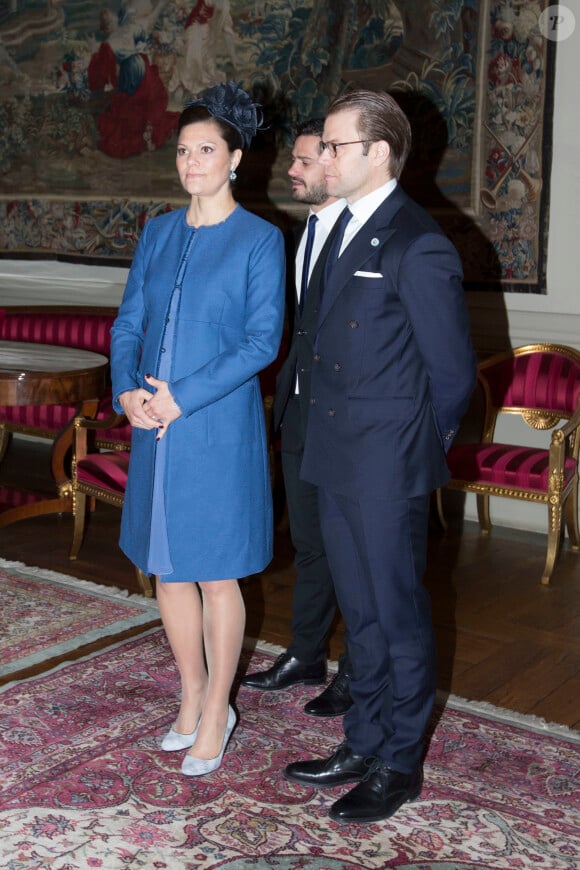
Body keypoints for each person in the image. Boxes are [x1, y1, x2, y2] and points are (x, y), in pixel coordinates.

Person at [284, 90, 477, 824]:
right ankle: (361, 742)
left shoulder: (416, 241)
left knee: (395, 617)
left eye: (333, 146)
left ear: (378, 153)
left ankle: (399, 762)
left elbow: (452, 374)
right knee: (359, 617)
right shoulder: (340, 230)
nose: (323, 157)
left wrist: (416, 455)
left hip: (387, 462)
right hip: (335, 455)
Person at [110, 81, 285, 777]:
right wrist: (127, 390)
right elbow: (128, 322)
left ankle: (219, 707)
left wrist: (181, 397)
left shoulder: (261, 239)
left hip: (213, 428)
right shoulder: (157, 231)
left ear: (235, 157)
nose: (191, 162)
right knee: (167, 569)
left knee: (214, 573)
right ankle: (189, 695)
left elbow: (261, 341)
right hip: (152, 427)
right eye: (183, 150)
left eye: (206, 149)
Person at [242, 119, 352, 718]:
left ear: (334, 165)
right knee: (310, 545)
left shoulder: (364, 237)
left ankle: (358, 676)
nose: (293, 170)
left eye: (304, 160)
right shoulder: (304, 231)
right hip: (302, 410)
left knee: (353, 555)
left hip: (347, 421)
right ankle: (307, 652)